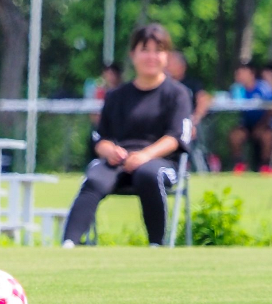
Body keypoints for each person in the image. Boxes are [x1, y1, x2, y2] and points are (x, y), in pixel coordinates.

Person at [60, 23, 192, 248]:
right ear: (133, 55)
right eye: (145, 50)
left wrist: (144, 156)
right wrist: (109, 150)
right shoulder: (116, 96)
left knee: (149, 175)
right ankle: (69, 243)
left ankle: (156, 244)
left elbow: (176, 137)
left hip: (159, 162)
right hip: (118, 161)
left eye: (157, 50)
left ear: (166, 56)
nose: (151, 56)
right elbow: (100, 138)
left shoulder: (177, 94)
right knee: (95, 178)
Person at [227, 62, 272, 172]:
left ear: (251, 74)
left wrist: (262, 125)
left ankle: (265, 166)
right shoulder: (237, 90)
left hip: (264, 124)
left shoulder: (263, 88)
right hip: (246, 125)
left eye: (242, 73)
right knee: (235, 136)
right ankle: (240, 165)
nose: (239, 76)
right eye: (238, 74)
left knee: (267, 136)